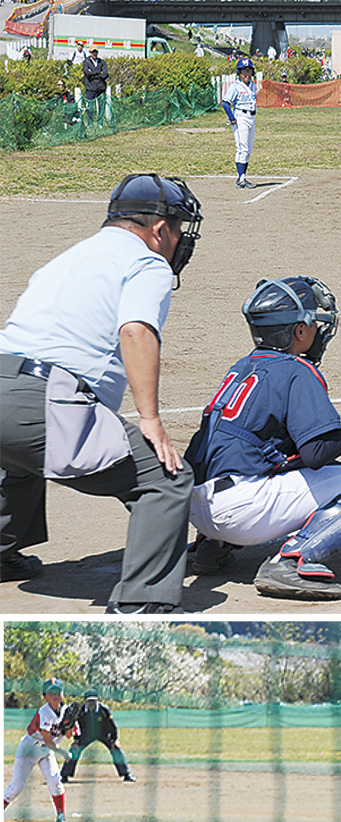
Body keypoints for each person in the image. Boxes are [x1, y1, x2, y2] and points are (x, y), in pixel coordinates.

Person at [1, 173, 203, 612]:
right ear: (159, 229)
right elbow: (135, 330)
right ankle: (141, 606)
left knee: (18, 458)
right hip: (42, 398)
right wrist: (149, 419)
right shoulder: (146, 262)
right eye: (179, 229)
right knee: (166, 480)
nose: (179, 240)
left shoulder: (71, 256)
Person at [183, 275, 341, 602]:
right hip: (243, 512)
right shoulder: (297, 370)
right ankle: (290, 562)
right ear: (299, 331)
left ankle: (211, 548)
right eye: (313, 321)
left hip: (197, 508)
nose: (320, 329)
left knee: (255, 455)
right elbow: (316, 453)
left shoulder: (241, 368)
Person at [3, 678, 71, 822]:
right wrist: (63, 753)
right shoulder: (44, 712)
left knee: (55, 781)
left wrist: (70, 724)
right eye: (51, 693)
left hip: (46, 752)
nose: (55, 695)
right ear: (45, 696)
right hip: (29, 749)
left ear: (62, 694)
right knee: (16, 788)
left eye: (57, 692)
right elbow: (48, 741)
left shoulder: (67, 711)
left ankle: (61, 818)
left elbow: (68, 735)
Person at [58, 687, 135, 784]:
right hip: (86, 735)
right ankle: (64, 776)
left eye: (94, 701)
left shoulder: (104, 710)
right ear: (85, 701)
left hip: (103, 734)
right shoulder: (80, 710)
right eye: (89, 701)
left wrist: (114, 739)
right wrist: (77, 740)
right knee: (74, 749)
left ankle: (127, 774)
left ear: (98, 700)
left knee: (116, 748)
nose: (91, 704)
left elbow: (112, 726)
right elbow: (75, 726)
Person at [222, 57, 258, 188]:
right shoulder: (236, 86)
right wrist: (232, 118)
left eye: (249, 71)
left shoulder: (253, 85)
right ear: (239, 72)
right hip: (240, 117)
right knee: (242, 148)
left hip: (251, 117)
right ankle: (241, 178)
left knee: (248, 148)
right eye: (244, 71)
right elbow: (225, 103)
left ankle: (243, 176)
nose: (247, 74)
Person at [82, 46, 108, 120]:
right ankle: (90, 123)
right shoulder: (86, 62)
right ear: (90, 52)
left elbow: (105, 74)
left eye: (95, 52)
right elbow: (87, 73)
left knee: (101, 106)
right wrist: (99, 73)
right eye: (93, 52)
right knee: (90, 107)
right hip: (90, 87)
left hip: (101, 87)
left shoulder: (102, 62)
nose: (94, 53)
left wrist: (93, 74)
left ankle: (100, 123)